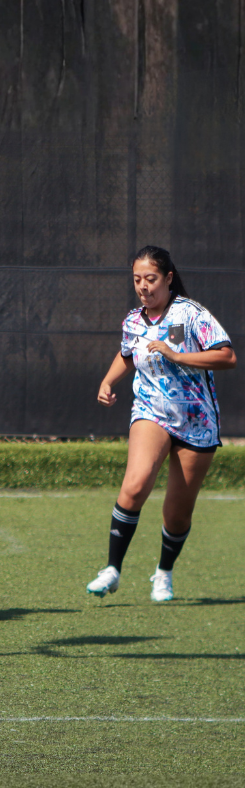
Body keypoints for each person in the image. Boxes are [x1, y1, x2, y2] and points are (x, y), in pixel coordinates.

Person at [87, 245, 236, 602]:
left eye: (151, 279)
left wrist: (176, 353)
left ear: (168, 279)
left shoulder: (190, 314)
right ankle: (112, 569)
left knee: (178, 512)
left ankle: (163, 573)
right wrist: (108, 382)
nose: (143, 286)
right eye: (137, 279)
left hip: (197, 420)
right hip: (151, 411)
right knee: (135, 485)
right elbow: (127, 354)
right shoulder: (133, 321)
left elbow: (227, 356)